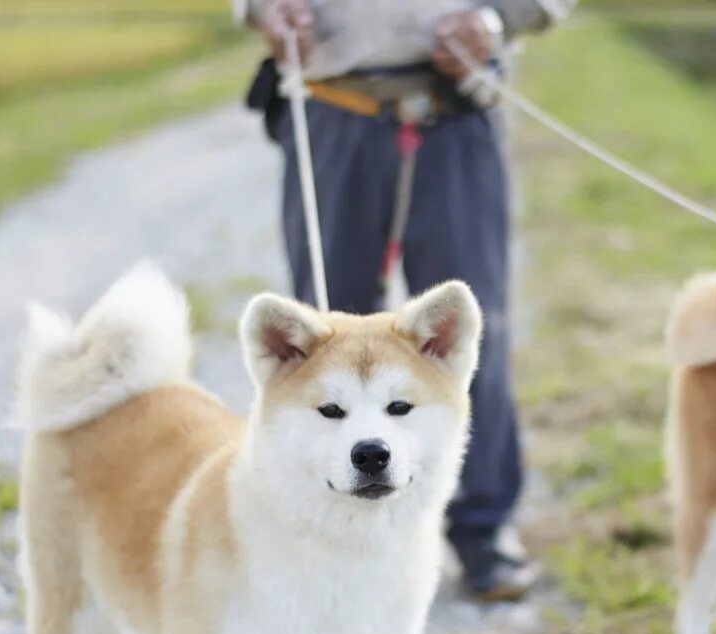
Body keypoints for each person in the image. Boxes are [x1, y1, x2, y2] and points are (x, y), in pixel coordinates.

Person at [235, 0, 573, 601]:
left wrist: (498, 20)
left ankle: (483, 530)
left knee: (466, 336)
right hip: (331, 105)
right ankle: (321, 544)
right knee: (319, 348)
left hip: (459, 106)